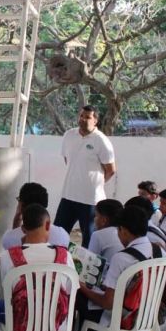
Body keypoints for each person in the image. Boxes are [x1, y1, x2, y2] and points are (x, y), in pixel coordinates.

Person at [0, 204, 75, 331]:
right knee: (42, 314)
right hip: (56, 322)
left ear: (22, 228)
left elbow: (7, 292)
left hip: (20, 321)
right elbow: (69, 289)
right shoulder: (65, 256)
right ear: (48, 225)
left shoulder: (8, 257)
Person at [74, 206, 160, 331]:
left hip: (124, 317)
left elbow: (108, 303)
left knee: (80, 299)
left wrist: (82, 286)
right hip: (150, 314)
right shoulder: (158, 250)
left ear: (124, 231)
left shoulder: (121, 258)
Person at [55, 105, 116, 248]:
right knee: (57, 236)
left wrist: (96, 184)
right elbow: (67, 160)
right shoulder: (69, 135)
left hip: (91, 200)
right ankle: (56, 267)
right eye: (81, 116)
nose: (83, 119)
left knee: (89, 241)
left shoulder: (101, 141)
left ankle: (85, 270)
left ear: (95, 121)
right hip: (68, 195)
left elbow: (111, 170)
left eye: (87, 117)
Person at [1, 182, 71, 250]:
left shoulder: (8, 239)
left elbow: (11, 250)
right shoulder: (62, 236)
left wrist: (17, 217)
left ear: (21, 205)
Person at [87, 199, 124, 264]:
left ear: (103, 220)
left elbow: (90, 262)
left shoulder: (98, 235)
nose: (94, 219)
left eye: (96, 215)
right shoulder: (124, 233)